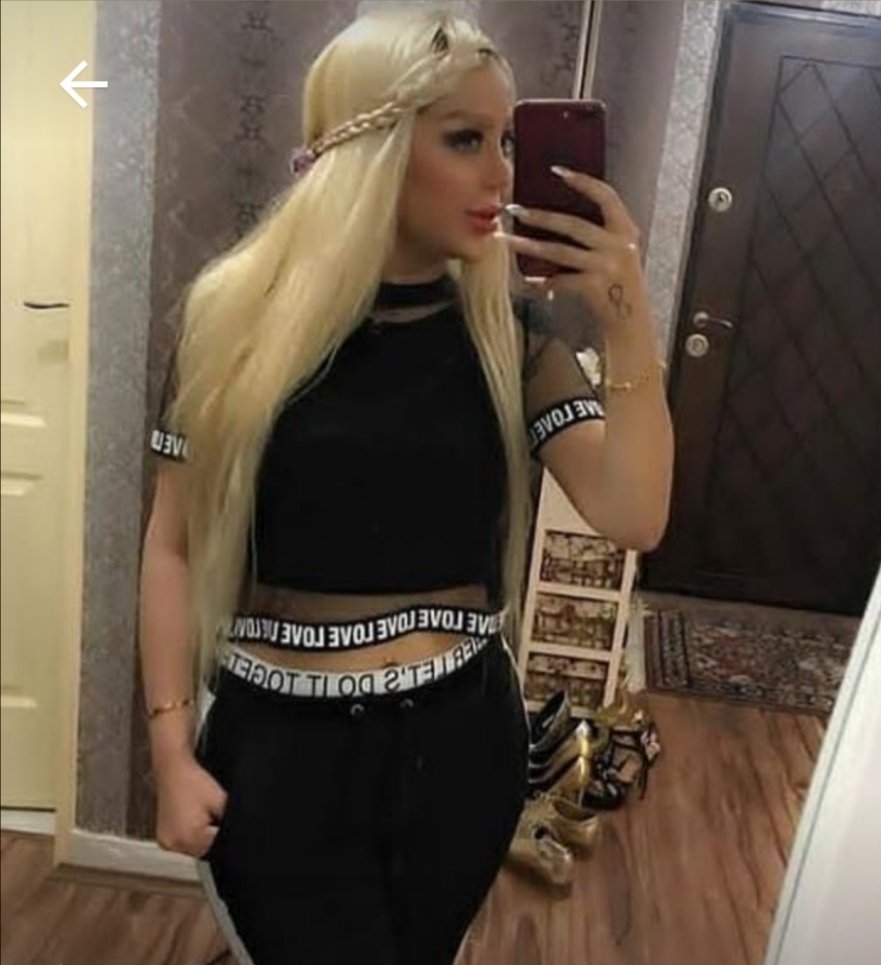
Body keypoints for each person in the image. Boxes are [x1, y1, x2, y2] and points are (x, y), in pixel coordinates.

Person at [137, 8, 672, 964]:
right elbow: (172, 545)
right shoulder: (234, 324)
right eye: (466, 139)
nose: (501, 174)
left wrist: (626, 321)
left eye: (506, 142)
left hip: (461, 751)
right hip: (279, 753)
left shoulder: (512, 341)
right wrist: (171, 752)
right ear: (373, 148)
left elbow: (634, 514)